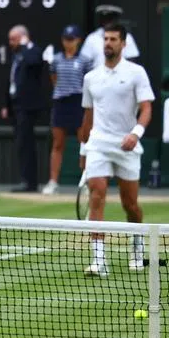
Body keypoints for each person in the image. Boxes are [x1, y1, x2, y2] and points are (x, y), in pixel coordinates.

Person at [79, 23, 155, 277]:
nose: (108, 43)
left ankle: (136, 248)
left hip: (127, 144)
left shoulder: (136, 73)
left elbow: (146, 109)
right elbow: (87, 118)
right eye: (106, 39)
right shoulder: (91, 78)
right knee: (97, 196)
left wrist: (136, 134)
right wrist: (83, 149)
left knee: (130, 205)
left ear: (123, 43)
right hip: (98, 145)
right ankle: (99, 260)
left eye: (113, 39)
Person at [42, 25, 93, 195]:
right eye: (65, 39)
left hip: (78, 103)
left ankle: (86, 181)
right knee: (57, 143)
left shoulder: (85, 61)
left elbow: (88, 83)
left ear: (78, 40)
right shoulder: (56, 60)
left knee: (84, 143)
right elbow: (54, 79)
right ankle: (53, 182)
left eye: (71, 39)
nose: (68, 43)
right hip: (61, 103)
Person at [1, 25, 46, 193]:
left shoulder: (31, 52)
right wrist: (7, 104)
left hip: (28, 106)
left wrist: (27, 44)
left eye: (13, 39)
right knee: (21, 143)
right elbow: (12, 80)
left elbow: (35, 61)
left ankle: (30, 182)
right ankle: (26, 179)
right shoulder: (18, 55)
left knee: (26, 143)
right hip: (17, 105)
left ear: (22, 37)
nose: (10, 43)